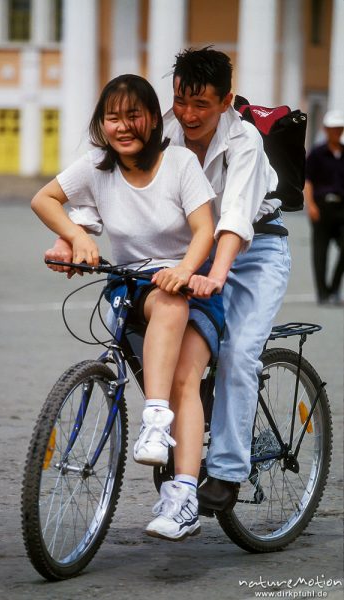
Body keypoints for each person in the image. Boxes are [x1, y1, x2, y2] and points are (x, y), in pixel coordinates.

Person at [45, 47, 291, 514]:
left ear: (226, 100)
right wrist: (72, 236)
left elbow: (235, 216)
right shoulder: (167, 133)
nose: (189, 114)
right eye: (181, 100)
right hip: (186, 251)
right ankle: (184, 422)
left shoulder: (244, 144)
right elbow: (119, 187)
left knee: (238, 351)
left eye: (202, 104)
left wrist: (215, 275)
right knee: (161, 342)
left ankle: (226, 470)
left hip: (255, 249)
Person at [31, 73, 225, 541]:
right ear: (102, 122)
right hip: (129, 286)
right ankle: (159, 426)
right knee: (161, 316)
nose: (122, 126)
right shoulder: (97, 167)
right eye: (112, 117)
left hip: (191, 286)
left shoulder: (178, 162)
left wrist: (184, 270)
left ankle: (180, 492)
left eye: (132, 115)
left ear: (151, 120)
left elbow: (205, 228)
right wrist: (75, 239)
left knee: (184, 376)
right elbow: (45, 198)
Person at [304, 109, 344, 305]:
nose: (336, 132)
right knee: (320, 250)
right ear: (326, 129)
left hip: (342, 207)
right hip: (321, 206)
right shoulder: (317, 153)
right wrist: (310, 204)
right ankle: (323, 292)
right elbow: (308, 181)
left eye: (339, 128)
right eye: (333, 128)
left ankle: (335, 288)